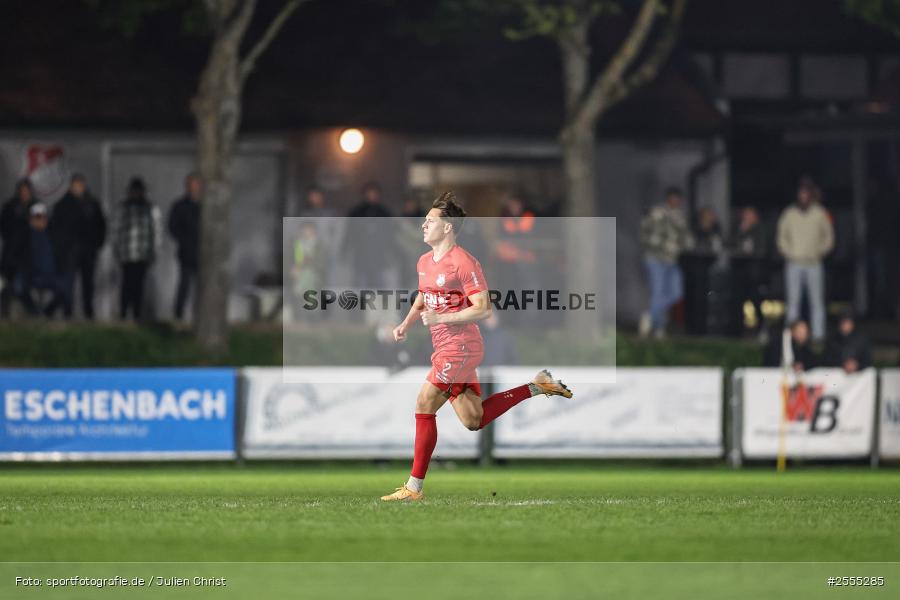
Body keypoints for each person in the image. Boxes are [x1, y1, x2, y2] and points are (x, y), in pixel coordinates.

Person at [380, 191, 572, 502]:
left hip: (461, 346)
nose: (423, 225)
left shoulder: (464, 262)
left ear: (448, 227)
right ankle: (537, 386)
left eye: (430, 221)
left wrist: (442, 316)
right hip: (445, 347)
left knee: (424, 405)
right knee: (473, 420)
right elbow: (423, 294)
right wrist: (406, 323)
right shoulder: (424, 261)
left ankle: (413, 488)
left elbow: (482, 308)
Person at [776, 177, 834, 343]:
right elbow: (781, 237)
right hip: (793, 263)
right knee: (793, 301)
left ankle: (818, 336)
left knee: (817, 301)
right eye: (801, 193)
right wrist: (789, 253)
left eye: (806, 193)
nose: (803, 196)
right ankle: (790, 337)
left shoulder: (820, 213)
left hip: (814, 263)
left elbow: (828, 237)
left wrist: (819, 252)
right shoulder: (789, 213)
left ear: (810, 195)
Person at [49, 173, 106, 319]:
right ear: (71, 186)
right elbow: (55, 229)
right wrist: (62, 247)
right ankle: (68, 313)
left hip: (88, 250)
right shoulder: (62, 204)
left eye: (80, 184)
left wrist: (97, 243)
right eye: (76, 184)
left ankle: (89, 312)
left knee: (88, 283)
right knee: (68, 283)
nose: (78, 187)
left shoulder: (92, 203)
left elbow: (101, 225)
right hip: (70, 251)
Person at [638, 187, 693, 338]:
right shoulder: (657, 213)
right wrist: (661, 244)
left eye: (678, 199)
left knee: (676, 292)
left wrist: (687, 243)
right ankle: (659, 327)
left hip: (672, 260)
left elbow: (686, 238)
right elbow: (644, 234)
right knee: (658, 292)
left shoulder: (680, 217)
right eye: (673, 199)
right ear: (668, 199)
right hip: (654, 258)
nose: (676, 202)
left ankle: (649, 316)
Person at [114, 177, 157, 321]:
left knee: (138, 286)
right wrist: (117, 250)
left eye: (138, 191)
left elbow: (156, 232)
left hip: (143, 254)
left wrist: (154, 252)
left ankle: (137, 315)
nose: (136, 194)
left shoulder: (150, 209)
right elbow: (115, 230)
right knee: (126, 285)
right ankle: (123, 314)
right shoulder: (122, 208)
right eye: (134, 191)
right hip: (126, 254)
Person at [16, 203, 67, 316]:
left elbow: (61, 255)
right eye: (37, 218)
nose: (40, 221)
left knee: (65, 289)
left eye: (42, 217)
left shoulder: (53, 234)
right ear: (31, 219)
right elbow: (16, 257)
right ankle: (34, 312)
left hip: (51, 275)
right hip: (31, 275)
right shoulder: (24, 235)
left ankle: (47, 312)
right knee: (18, 287)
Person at [168, 173, 201, 320]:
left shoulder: (206, 206)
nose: (193, 187)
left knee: (203, 289)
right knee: (184, 286)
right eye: (191, 184)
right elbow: (172, 227)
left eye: (195, 184)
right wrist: (184, 240)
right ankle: (178, 316)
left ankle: (200, 316)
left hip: (203, 254)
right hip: (186, 253)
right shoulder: (179, 206)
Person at [0, 179, 35, 317]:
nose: (25, 193)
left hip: (27, 256)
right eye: (22, 191)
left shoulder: (36, 207)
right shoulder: (10, 207)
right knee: (4, 286)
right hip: (9, 255)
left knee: (20, 288)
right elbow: (4, 228)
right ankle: (4, 314)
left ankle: (34, 312)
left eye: (27, 191)